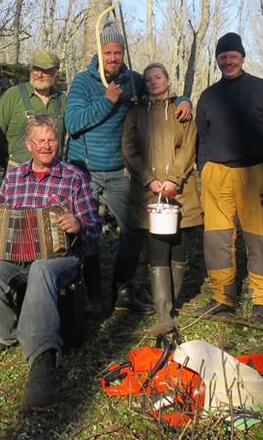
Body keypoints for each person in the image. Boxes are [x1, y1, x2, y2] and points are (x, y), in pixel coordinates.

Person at [0, 115, 101, 409]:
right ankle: (4, 333)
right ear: (29, 145)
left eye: (52, 140)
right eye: (41, 141)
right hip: (16, 256)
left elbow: (95, 227)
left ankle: (42, 356)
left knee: (42, 269)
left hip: (61, 258)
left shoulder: (73, 177)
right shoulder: (15, 178)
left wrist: (79, 224)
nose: (47, 146)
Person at [65, 24, 191, 315]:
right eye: (108, 52)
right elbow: (73, 123)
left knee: (133, 230)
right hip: (85, 170)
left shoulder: (132, 80)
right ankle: (93, 296)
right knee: (86, 231)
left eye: (117, 52)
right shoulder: (84, 82)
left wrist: (185, 100)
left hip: (119, 170)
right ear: (99, 53)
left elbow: (161, 93)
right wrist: (107, 100)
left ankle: (122, 291)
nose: (113, 57)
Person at [195, 32, 263, 325]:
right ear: (217, 60)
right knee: (217, 237)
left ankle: (261, 300)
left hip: (257, 171)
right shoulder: (209, 95)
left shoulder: (262, 89)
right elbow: (202, 136)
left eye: (233, 56)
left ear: (242, 57)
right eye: (222, 57)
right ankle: (223, 296)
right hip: (217, 173)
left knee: (261, 236)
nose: (228, 61)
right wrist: (204, 168)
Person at [121, 63, 203, 330]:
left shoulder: (183, 113)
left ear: (168, 80)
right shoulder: (136, 114)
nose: (154, 82)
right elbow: (129, 150)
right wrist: (150, 180)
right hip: (150, 193)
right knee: (158, 249)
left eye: (159, 77)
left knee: (179, 248)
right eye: (149, 79)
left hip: (181, 191)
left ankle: (173, 301)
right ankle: (163, 314)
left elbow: (189, 147)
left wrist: (173, 179)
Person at [0, 49, 66, 169]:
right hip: (18, 173)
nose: (39, 75)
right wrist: (8, 163)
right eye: (36, 69)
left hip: (53, 175)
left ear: (56, 74)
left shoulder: (62, 100)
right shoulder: (13, 95)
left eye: (45, 71)